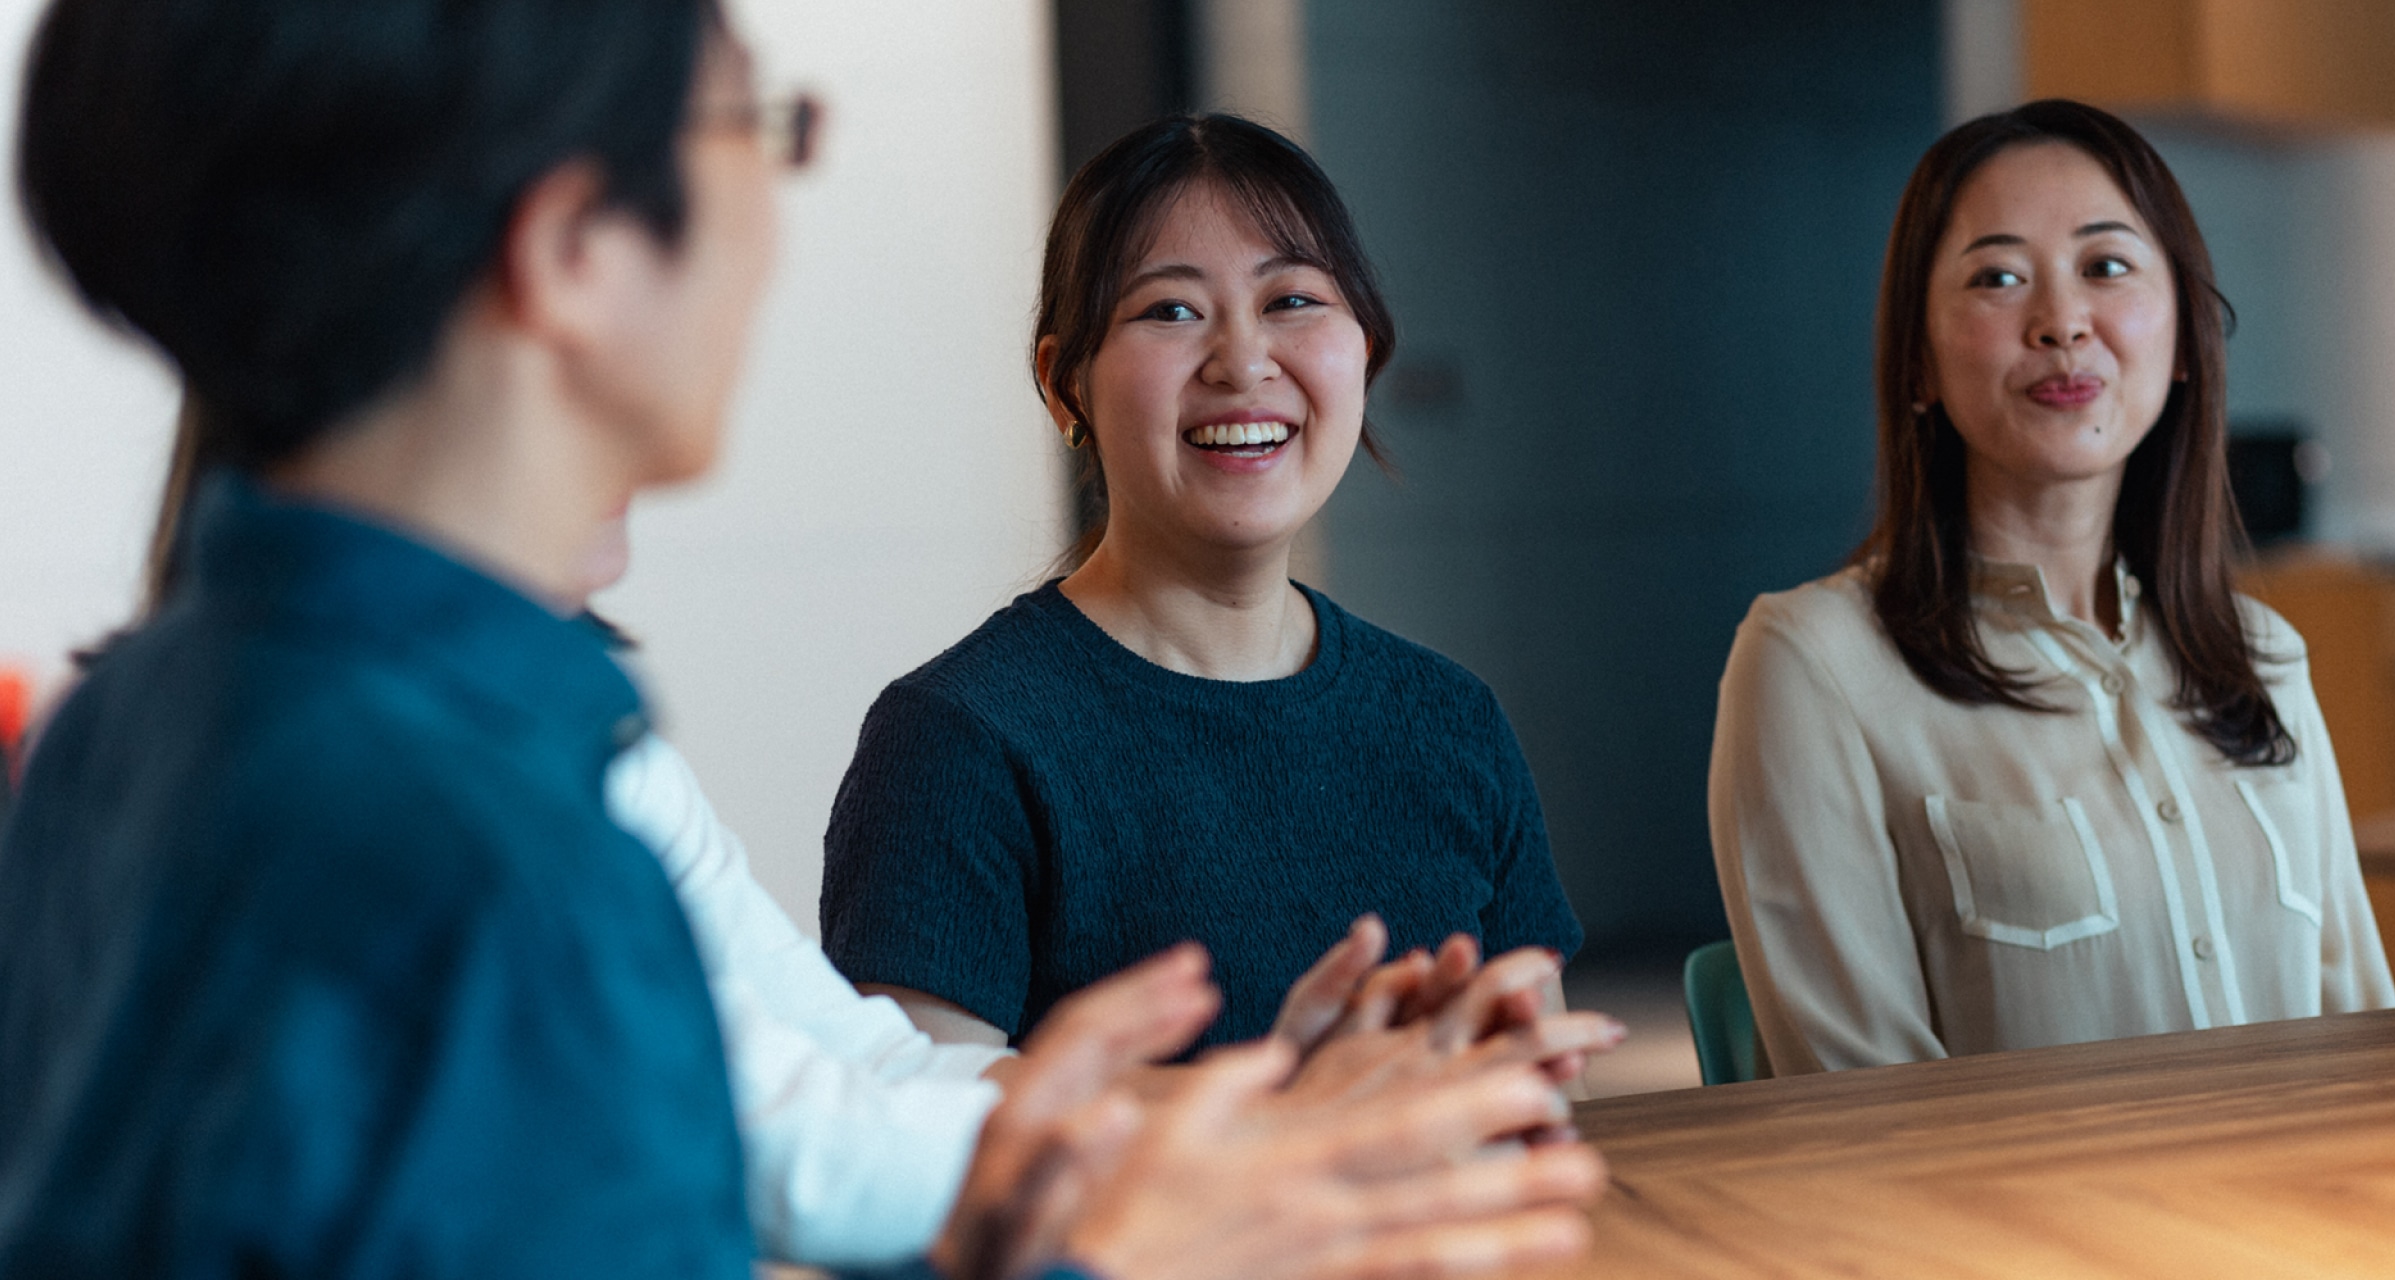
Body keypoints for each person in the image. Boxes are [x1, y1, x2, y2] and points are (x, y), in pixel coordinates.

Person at [0, 1, 1609, 1275]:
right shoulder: (471, 856)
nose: (776, 211)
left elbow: (818, 1080)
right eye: (752, 131)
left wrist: (1243, 1128)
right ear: (570, 251)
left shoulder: (156, 722)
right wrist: (1124, 1253)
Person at [820, 114, 1585, 1054]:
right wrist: (1299, 1117)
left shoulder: (1450, 719)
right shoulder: (958, 742)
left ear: (1367, 353)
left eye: (1294, 300)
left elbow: (1543, 1089)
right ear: (1065, 387)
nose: (1244, 362)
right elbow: (928, 1147)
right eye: (1170, 310)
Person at [1707, 99, 2395, 1077]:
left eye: (2104, 266)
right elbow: (1858, 1110)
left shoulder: (2261, 655)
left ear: (2186, 336)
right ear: (1915, 362)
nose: (2060, 321)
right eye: (1996, 278)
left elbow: (2361, 1040)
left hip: (2303, 1224)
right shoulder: (1813, 665)